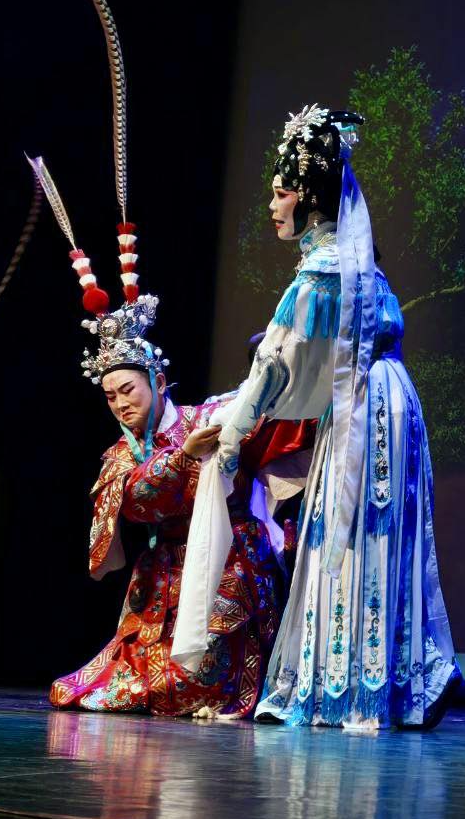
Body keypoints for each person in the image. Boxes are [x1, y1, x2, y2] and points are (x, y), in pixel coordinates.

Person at [181, 105, 460, 729]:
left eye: (280, 194)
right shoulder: (357, 264)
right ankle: (396, 683)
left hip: (364, 411)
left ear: (307, 194)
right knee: (377, 537)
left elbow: (274, 369)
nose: (273, 207)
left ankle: (354, 687)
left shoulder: (321, 271)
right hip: (388, 402)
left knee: (357, 537)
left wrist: (228, 439)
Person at [50, 295, 305, 717]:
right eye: (110, 396)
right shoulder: (119, 454)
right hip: (163, 575)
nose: (120, 403)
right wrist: (181, 457)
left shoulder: (211, 418)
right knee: (97, 688)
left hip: (230, 563)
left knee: (201, 678)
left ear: (159, 383)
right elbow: (134, 502)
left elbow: (262, 407)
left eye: (128, 389)